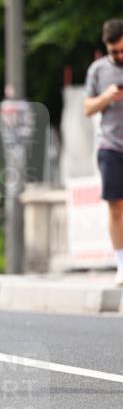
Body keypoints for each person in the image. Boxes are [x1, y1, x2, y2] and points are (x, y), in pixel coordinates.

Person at [84, 17, 123, 286]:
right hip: (110, 146)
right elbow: (87, 108)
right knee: (116, 207)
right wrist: (107, 97)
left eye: (122, 50)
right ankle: (121, 264)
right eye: (114, 52)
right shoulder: (97, 71)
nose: (119, 56)